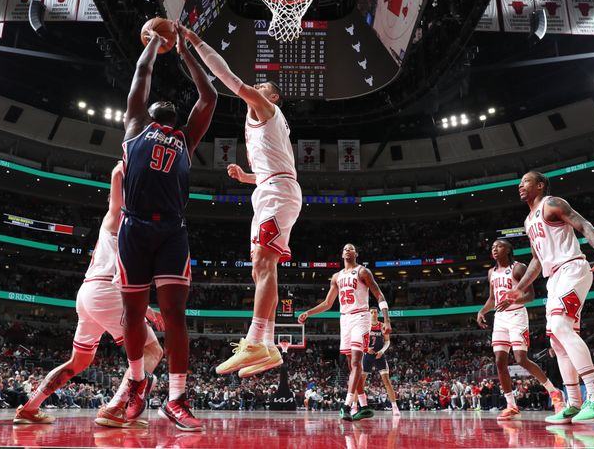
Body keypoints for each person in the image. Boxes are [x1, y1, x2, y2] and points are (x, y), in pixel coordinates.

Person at [182, 28, 302, 378]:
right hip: (269, 189)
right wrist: (247, 178)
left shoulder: (264, 108)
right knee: (261, 269)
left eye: (264, 86)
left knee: (265, 265)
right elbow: (276, 169)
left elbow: (226, 76)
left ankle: (253, 340)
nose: (257, 87)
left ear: (274, 97)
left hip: (276, 193)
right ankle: (267, 346)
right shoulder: (262, 122)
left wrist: (194, 40)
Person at [117, 21, 217, 432]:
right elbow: (141, 74)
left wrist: (185, 52)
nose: (164, 103)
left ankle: (176, 399)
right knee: (133, 314)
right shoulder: (135, 125)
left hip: (172, 231)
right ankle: (138, 380)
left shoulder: (186, 139)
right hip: (135, 228)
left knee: (175, 315)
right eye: (161, 102)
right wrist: (156, 42)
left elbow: (208, 97)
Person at [14, 163, 165, 427]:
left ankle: (30, 408)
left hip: (90, 293)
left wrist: (147, 309)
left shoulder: (134, 228)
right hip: (106, 291)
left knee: (79, 361)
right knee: (152, 350)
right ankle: (115, 408)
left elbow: (129, 276)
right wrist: (131, 159)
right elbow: (117, 173)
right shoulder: (117, 215)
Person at [502, 171, 594, 424]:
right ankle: (574, 403)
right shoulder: (529, 220)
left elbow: (585, 225)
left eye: (526, 182)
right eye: (519, 183)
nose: (520, 186)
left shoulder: (552, 203)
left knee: (562, 328)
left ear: (540, 185)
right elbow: (537, 259)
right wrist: (520, 288)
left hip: (572, 268)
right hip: (554, 279)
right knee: (556, 343)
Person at [298, 243, 392, 421]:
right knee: (350, 364)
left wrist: (386, 319)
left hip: (360, 317)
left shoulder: (363, 272)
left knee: (356, 361)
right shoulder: (336, 276)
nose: (348, 250)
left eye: (351, 248)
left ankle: (347, 405)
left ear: (356, 253)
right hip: (345, 319)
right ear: (342, 254)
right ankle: (364, 405)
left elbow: (379, 295)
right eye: (345, 248)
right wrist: (308, 313)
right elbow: (327, 303)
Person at [477, 239, 565, 420]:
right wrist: (482, 311)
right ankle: (511, 404)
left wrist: (513, 300)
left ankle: (554, 393)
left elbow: (530, 296)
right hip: (500, 318)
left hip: (517, 315)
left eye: (499, 246)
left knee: (521, 359)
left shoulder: (518, 268)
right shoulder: (491, 272)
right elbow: (493, 299)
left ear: (508, 249)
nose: (495, 249)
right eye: (493, 247)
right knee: (500, 361)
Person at [360, 307, 400, 416]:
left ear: (378, 314)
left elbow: (387, 341)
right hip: (367, 354)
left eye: (375, 312)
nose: (373, 314)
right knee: (360, 382)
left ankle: (394, 407)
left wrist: (381, 351)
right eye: (371, 312)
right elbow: (359, 340)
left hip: (379, 355)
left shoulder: (382, 326)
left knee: (386, 381)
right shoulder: (365, 325)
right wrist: (366, 348)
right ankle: (354, 406)